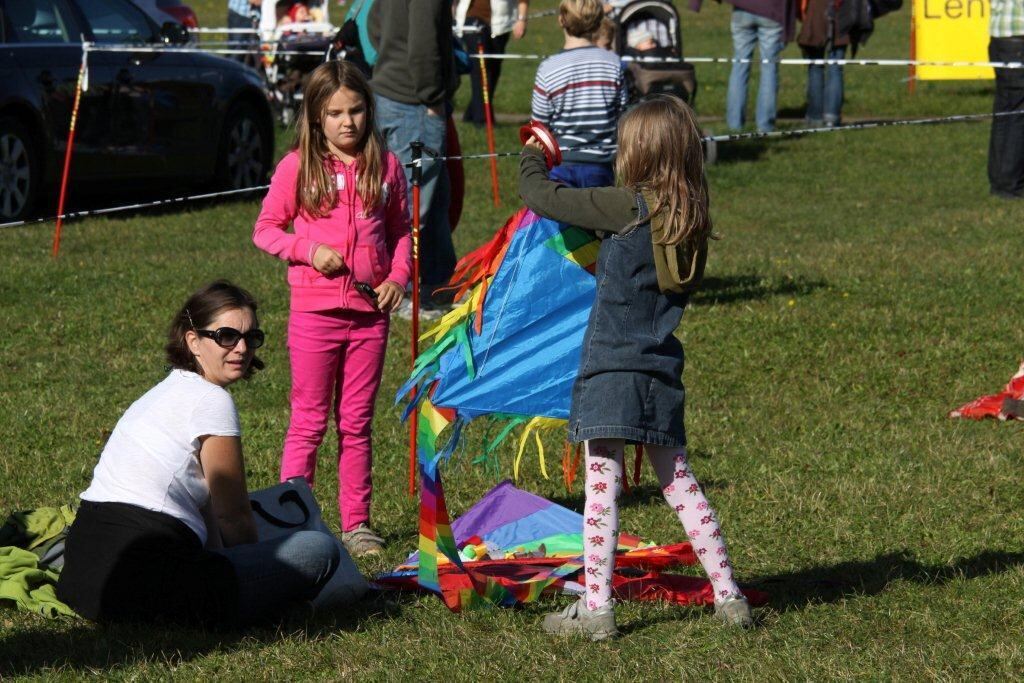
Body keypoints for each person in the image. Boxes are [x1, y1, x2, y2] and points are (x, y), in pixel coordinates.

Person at [518, 97, 753, 640]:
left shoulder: (628, 207)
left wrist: (533, 154)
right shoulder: (690, 218)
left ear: (638, 154)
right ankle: (729, 596)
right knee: (680, 484)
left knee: (601, 488)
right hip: (659, 369)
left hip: (611, 371)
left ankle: (597, 610)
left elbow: (542, 197)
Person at [56, 281, 340, 626]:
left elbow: (206, 503)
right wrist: (252, 571)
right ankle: (263, 610)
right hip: (143, 588)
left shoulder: (163, 393)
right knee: (318, 549)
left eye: (251, 337)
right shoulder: (212, 400)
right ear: (193, 341)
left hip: (82, 578)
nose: (240, 348)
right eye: (225, 336)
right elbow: (232, 516)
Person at [252, 61, 412, 557]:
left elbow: (402, 231)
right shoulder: (296, 167)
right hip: (314, 314)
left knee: (357, 421)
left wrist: (397, 279)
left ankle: (357, 522)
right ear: (316, 118)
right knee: (309, 420)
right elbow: (266, 229)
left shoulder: (386, 167)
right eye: (336, 113)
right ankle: (289, 519)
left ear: (370, 110)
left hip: (370, 317)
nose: (348, 122)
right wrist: (307, 250)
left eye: (357, 110)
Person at [369, 0, 460, 320]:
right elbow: (423, 43)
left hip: (395, 95)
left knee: (434, 199)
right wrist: (432, 94)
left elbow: (374, 25)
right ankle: (402, 290)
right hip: (415, 103)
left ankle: (437, 285)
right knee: (412, 205)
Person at [531, 0, 627, 189]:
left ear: (561, 20)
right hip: (602, 165)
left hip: (560, 164)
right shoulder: (614, 64)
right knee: (599, 217)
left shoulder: (548, 68)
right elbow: (622, 114)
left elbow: (539, 125)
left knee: (561, 217)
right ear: (599, 21)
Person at [722, 0, 796, 133]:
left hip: (742, 9)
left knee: (739, 66)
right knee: (769, 69)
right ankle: (765, 126)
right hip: (772, 12)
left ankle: (734, 124)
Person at [455, 0, 530, 127]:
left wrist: (522, 20)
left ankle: (471, 113)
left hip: (501, 25)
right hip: (471, 21)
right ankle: (482, 120)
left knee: (494, 71)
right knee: (481, 69)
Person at [797, 0, 855, 127]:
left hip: (816, 13)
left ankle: (815, 117)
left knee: (815, 68)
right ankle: (832, 116)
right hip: (842, 13)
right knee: (835, 68)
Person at [988, 0, 1024, 199]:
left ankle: (1007, 182)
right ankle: (1007, 185)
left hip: (1005, 36)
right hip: (1017, 38)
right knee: (1015, 114)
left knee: (1009, 112)